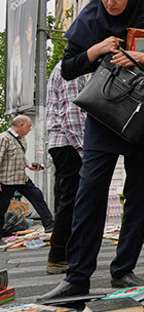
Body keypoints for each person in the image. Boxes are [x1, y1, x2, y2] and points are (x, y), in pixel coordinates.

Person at [39, 0, 144, 301]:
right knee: (89, 193)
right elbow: (68, 69)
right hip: (104, 113)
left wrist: (142, 57)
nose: (111, 2)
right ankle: (77, 277)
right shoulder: (90, 18)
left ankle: (123, 272)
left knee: (137, 197)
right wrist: (97, 49)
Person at [45, 61, 87, 274]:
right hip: (68, 143)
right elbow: (72, 114)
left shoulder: (65, 68)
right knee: (71, 200)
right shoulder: (71, 68)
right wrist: (83, 149)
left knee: (66, 199)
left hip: (61, 143)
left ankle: (61, 253)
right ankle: (59, 255)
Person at [0, 115, 55, 235]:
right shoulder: (4, 138)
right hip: (6, 180)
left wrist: (29, 165)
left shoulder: (22, 139)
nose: (30, 129)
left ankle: (49, 224)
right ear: (21, 125)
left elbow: (18, 156)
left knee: (37, 196)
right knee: (1, 208)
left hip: (21, 178)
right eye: (29, 126)